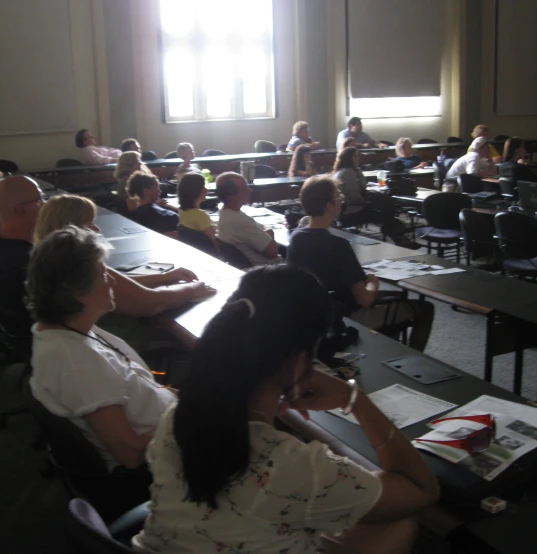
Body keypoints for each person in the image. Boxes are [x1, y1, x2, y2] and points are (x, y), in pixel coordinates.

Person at [133, 264, 439, 553]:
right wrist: (355, 399)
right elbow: (421, 489)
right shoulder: (295, 468)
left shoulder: (175, 416)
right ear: (298, 360)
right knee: (398, 522)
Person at [27, 226, 178, 471]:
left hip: (171, 423)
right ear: (78, 293)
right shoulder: (76, 364)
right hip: (166, 460)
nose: (112, 280)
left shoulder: (69, 331)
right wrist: (192, 421)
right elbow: (130, 453)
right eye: (103, 274)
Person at [288, 176, 434, 350]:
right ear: (329, 206)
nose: (341, 200)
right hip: (346, 316)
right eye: (338, 197)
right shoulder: (338, 245)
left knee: (395, 298)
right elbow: (364, 299)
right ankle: (412, 360)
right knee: (425, 308)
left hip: (314, 313)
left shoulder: (296, 237)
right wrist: (373, 284)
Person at [33, 194, 211, 308]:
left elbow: (119, 284)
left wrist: (166, 277)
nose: (97, 230)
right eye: (89, 224)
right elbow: (151, 301)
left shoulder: (50, 257)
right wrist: (192, 288)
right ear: (70, 227)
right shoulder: (78, 264)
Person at [0, 175, 45, 317]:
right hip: (41, 332)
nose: (44, 205)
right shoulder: (24, 263)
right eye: (39, 200)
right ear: (22, 211)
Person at [215, 171, 280, 265]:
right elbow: (272, 251)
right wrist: (270, 231)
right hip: (268, 270)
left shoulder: (224, 212)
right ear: (231, 196)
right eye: (245, 188)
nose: (250, 190)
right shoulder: (239, 222)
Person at [177, 173, 218, 251]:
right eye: (203, 187)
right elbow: (215, 242)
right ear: (195, 191)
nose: (206, 190)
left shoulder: (182, 211)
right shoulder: (200, 215)